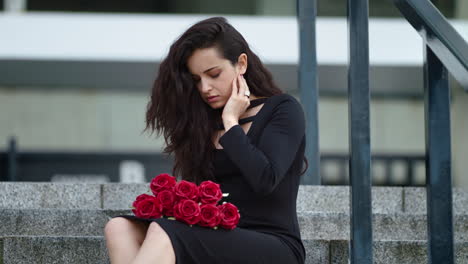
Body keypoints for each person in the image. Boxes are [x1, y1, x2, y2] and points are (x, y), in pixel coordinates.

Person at [104, 16, 308, 264]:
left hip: (273, 244)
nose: (205, 88)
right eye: (196, 79)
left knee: (164, 233)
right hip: (216, 237)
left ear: (241, 64)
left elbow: (266, 179)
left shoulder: (282, 109)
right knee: (118, 228)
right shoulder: (203, 124)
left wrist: (231, 122)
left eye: (213, 74)